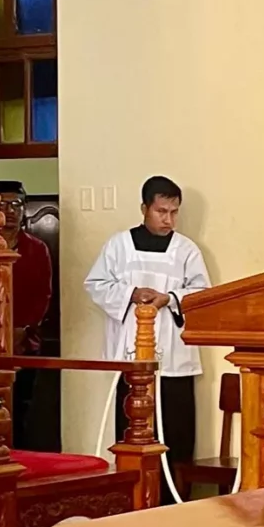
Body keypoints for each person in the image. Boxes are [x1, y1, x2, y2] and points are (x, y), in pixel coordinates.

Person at [83, 178, 211, 502]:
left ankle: (174, 500)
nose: (168, 219)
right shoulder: (119, 246)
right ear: (144, 209)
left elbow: (202, 295)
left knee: (176, 432)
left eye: (174, 212)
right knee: (133, 430)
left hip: (174, 359)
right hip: (131, 358)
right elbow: (96, 284)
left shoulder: (186, 250)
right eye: (161, 211)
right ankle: (132, 496)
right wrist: (131, 293)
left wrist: (170, 298)